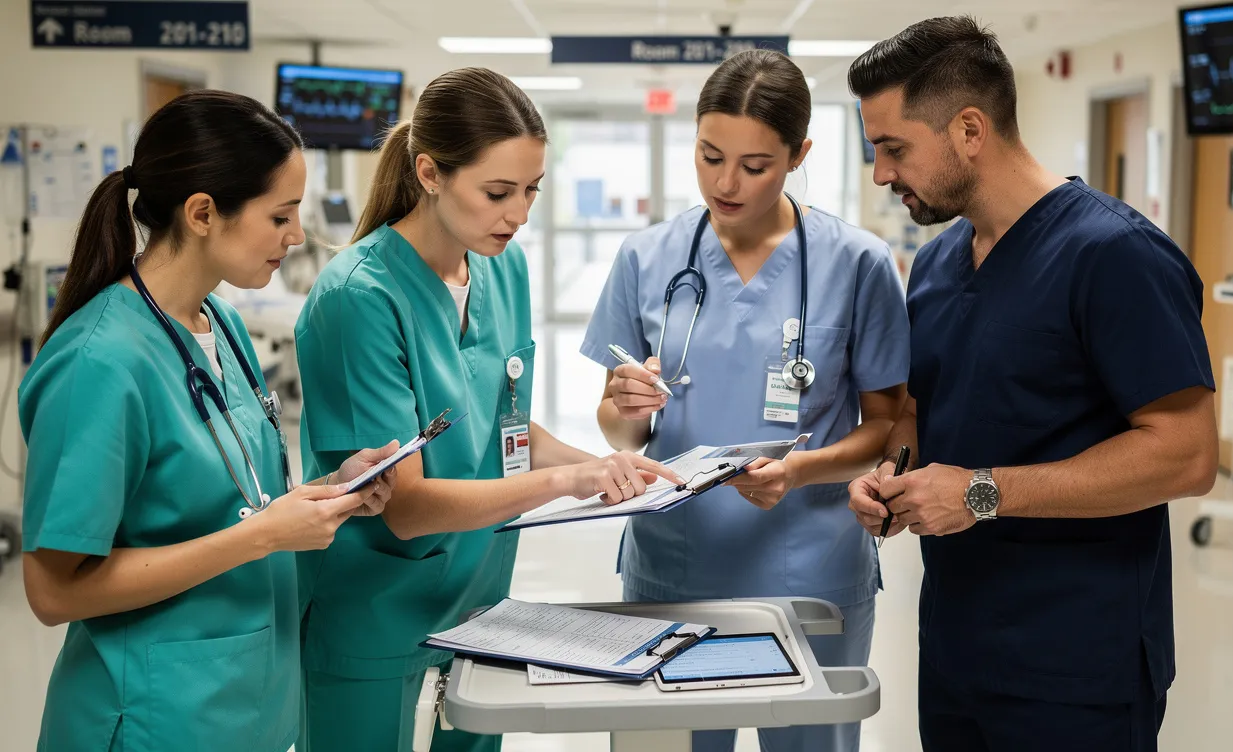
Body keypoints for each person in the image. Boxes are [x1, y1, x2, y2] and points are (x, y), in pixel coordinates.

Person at [844, 17, 1219, 752]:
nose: (882, 174)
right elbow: (921, 408)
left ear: (969, 130)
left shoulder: (1115, 255)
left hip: (1077, 667)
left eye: (894, 148)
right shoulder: (938, 263)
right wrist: (893, 476)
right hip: (956, 650)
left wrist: (980, 493)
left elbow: (1188, 455)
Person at [293, 67, 681, 752]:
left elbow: (504, 426)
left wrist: (609, 469)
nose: (519, 213)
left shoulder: (502, 267)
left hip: (479, 605)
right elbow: (406, 505)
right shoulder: (359, 296)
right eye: (498, 192)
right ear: (430, 173)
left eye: (532, 190)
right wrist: (567, 481)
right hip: (377, 615)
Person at [18, 90, 398, 752]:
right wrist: (263, 537)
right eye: (280, 215)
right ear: (202, 213)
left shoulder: (219, 323)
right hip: (152, 717)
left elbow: (233, 503)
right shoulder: (98, 362)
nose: (297, 235)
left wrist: (326, 492)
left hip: (243, 705)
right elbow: (53, 592)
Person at [582, 49, 911, 752]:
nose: (725, 183)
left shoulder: (857, 263)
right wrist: (625, 407)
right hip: (676, 564)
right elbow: (620, 432)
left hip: (812, 565)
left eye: (755, 165)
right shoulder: (647, 257)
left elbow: (885, 425)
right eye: (709, 156)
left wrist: (800, 470)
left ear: (799, 155)